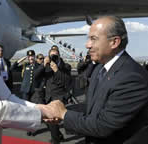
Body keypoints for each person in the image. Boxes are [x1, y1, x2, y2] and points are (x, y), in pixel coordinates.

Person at [48, 16, 148, 144]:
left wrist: (64, 114)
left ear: (114, 42)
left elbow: (102, 126)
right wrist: (56, 111)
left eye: (93, 39)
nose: (87, 45)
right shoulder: (100, 68)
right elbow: (93, 108)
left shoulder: (132, 77)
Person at [35, 47, 71, 144]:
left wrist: (57, 70)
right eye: (52, 55)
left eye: (55, 55)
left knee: (51, 121)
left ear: (59, 56)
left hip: (58, 97)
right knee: (48, 120)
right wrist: (43, 64)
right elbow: (36, 76)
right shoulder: (46, 67)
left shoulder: (66, 66)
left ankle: (56, 141)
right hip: (47, 97)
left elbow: (67, 81)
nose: (54, 57)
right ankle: (58, 135)